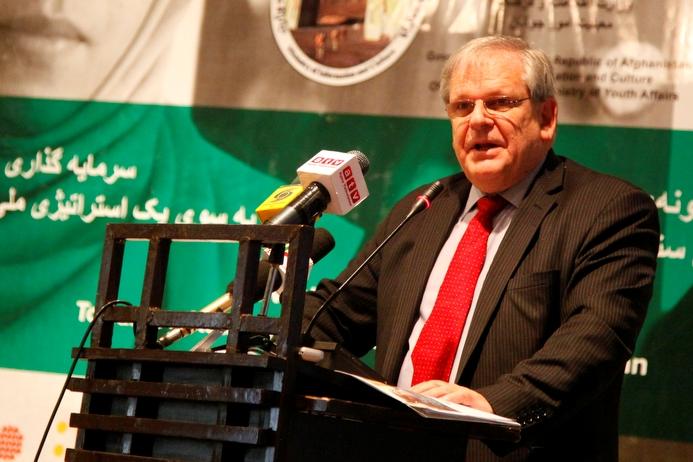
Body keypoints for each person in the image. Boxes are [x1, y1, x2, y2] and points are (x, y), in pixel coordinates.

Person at [302, 35, 659, 461]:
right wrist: (255, 333)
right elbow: (337, 314)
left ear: (546, 118)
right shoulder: (423, 207)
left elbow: (595, 339)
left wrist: (491, 406)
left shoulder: (607, 209)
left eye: (500, 103)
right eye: (462, 106)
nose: (478, 120)